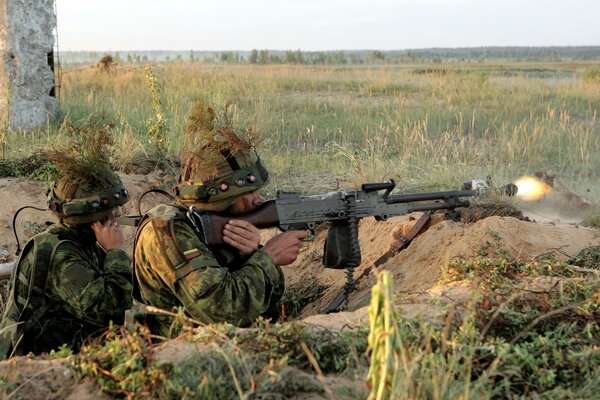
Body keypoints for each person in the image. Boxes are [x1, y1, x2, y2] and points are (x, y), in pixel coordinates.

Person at [132, 104, 306, 336]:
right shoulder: (168, 230)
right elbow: (221, 310)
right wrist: (267, 258)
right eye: (249, 193)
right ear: (222, 199)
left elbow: (263, 306)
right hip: (182, 356)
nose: (258, 199)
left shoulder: (213, 225)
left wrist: (250, 257)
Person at [0, 164, 132, 359]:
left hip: (58, 351)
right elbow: (110, 310)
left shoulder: (81, 241)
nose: (119, 213)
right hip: (34, 365)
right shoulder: (62, 254)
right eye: (112, 209)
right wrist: (115, 252)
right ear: (94, 216)